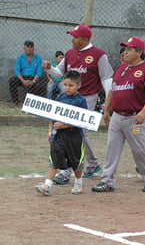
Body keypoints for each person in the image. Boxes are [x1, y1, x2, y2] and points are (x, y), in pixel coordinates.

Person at [42, 24, 114, 184]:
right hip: (69, 97)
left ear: (85, 39)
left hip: (87, 97)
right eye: (72, 36)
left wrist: (109, 104)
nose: (72, 39)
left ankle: (67, 171)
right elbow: (60, 73)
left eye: (75, 37)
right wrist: (49, 69)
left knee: (76, 129)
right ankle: (92, 163)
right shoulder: (69, 53)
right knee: (72, 131)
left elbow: (107, 79)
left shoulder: (98, 55)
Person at [91, 37, 145, 193]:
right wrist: (106, 111)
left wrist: (143, 112)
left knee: (139, 150)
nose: (125, 52)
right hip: (117, 116)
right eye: (125, 49)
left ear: (139, 52)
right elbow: (112, 91)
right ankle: (107, 181)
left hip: (135, 117)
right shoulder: (121, 68)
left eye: (129, 49)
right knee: (111, 149)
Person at [36, 71, 87, 196]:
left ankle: (78, 183)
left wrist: (65, 125)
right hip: (59, 135)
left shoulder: (81, 100)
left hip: (74, 137)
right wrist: (50, 131)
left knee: (76, 161)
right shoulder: (60, 98)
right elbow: (52, 117)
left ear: (79, 85)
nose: (67, 88)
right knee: (54, 158)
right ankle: (47, 185)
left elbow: (82, 121)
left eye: (71, 85)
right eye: (65, 85)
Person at [9, 40, 44, 106]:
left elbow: (39, 72)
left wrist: (33, 81)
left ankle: (34, 104)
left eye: (31, 47)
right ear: (24, 48)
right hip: (22, 77)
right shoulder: (20, 58)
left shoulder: (38, 58)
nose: (29, 49)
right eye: (27, 47)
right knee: (12, 81)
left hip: (33, 78)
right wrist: (23, 81)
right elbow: (17, 71)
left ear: (33, 49)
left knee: (39, 85)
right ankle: (15, 102)